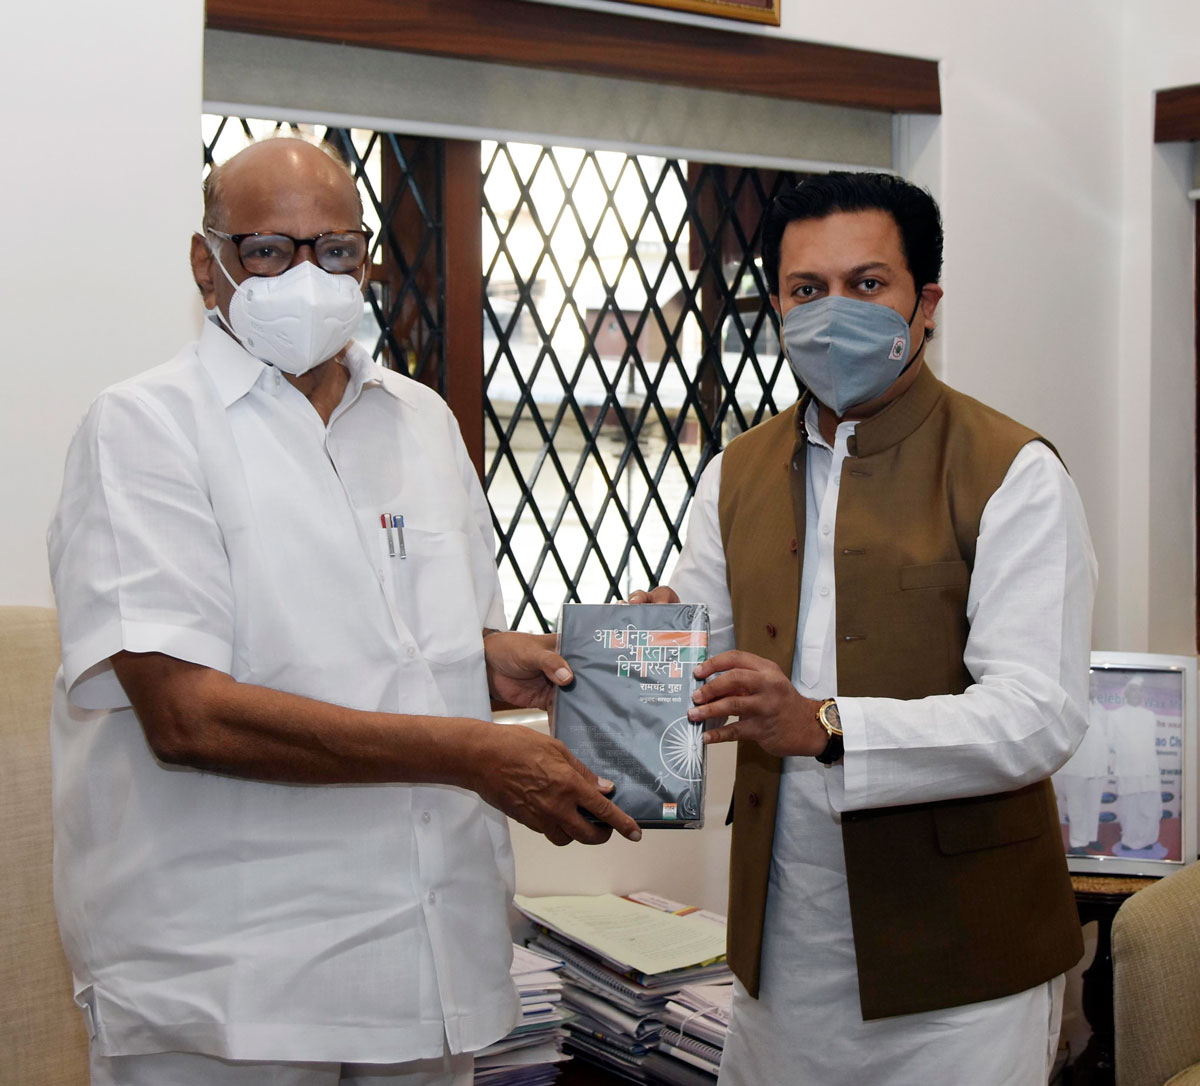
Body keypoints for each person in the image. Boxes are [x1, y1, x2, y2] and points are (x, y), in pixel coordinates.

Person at [48, 137, 640, 1086]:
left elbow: (402, 645)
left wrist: (488, 662)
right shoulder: (144, 428)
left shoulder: (422, 420)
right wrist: (468, 752)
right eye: (268, 251)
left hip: (428, 957)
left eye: (334, 251)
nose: (307, 278)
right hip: (235, 982)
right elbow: (185, 715)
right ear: (207, 264)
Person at [632, 172, 1096, 1084]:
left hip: (961, 973)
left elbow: (1038, 715)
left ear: (926, 304)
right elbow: (705, 665)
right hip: (781, 955)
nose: (832, 312)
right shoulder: (734, 473)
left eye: (867, 284)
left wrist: (825, 725)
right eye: (807, 289)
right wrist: (647, 650)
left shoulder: (1011, 470)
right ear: (777, 306)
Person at [1054, 671, 1111, 853]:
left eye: (1096, 685)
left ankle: (1090, 838)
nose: (1094, 688)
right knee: (1076, 806)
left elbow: (1105, 739)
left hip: (1097, 767)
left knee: (1093, 806)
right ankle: (1077, 843)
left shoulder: (1101, 709)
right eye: (1091, 684)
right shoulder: (1071, 706)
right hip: (1076, 767)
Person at [1109, 678, 1165, 856]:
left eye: (1139, 690)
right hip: (1127, 770)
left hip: (1149, 769)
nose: (1136, 693)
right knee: (1129, 807)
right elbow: (1111, 742)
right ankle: (1129, 840)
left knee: (1149, 806)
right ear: (1126, 694)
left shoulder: (1150, 716)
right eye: (1133, 690)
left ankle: (1148, 839)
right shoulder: (1115, 715)